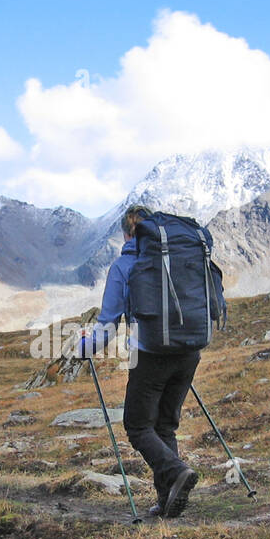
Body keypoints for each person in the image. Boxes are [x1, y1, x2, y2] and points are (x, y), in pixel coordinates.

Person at [78, 204, 200, 519]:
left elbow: (107, 326)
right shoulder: (179, 258)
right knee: (164, 425)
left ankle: (176, 472)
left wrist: (83, 346)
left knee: (137, 425)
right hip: (189, 350)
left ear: (127, 233)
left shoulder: (124, 265)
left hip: (151, 353)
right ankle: (169, 500)